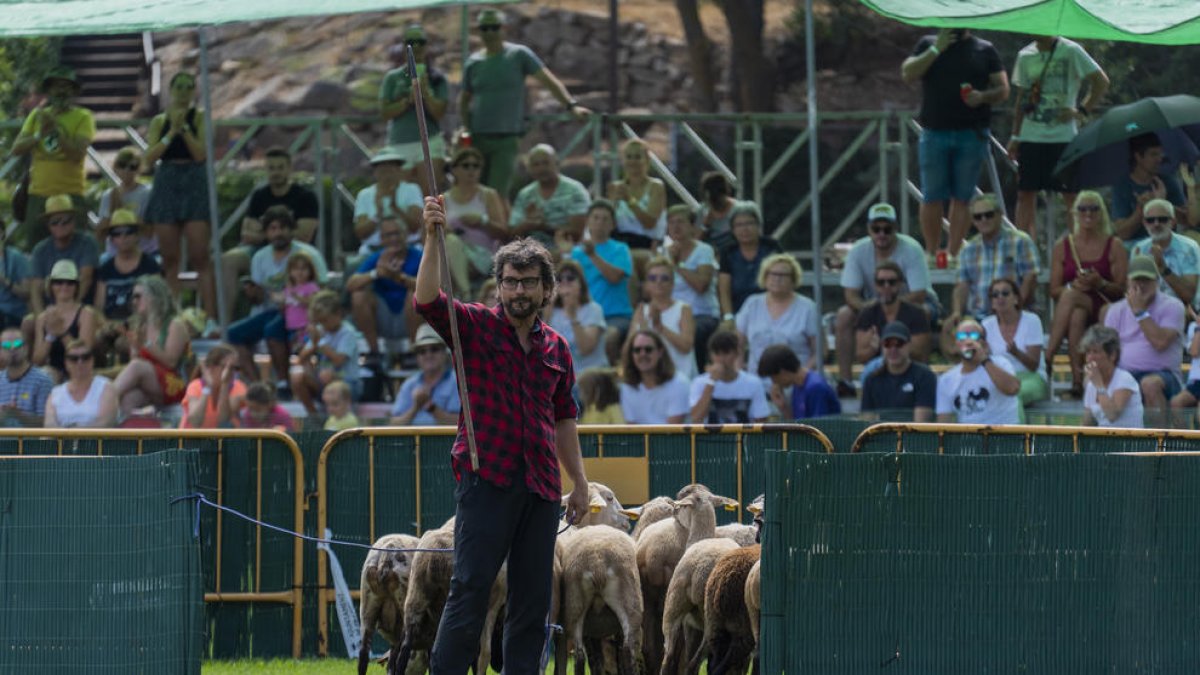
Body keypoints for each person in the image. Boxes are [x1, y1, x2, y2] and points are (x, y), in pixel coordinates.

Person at [413, 196, 589, 674]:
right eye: (509, 281)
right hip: (485, 478)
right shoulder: (472, 326)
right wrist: (433, 237)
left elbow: (564, 418)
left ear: (546, 288)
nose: (517, 290)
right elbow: (427, 299)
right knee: (470, 589)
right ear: (498, 285)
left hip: (542, 487)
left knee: (534, 601)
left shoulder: (557, 346)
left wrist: (581, 481)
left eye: (528, 282)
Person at [901, 28, 1009, 260]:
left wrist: (982, 96)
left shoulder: (985, 49)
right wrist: (936, 49)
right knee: (931, 195)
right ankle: (931, 253)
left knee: (963, 196)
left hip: (971, 133)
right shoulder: (928, 42)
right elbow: (908, 73)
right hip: (934, 132)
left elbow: (1003, 89)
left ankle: (952, 253)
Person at [459, 7, 590, 196]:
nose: (489, 33)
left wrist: (571, 106)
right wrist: (466, 129)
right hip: (477, 137)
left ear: (504, 28)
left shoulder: (519, 55)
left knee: (496, 194)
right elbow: (463, 100)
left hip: (506, 137)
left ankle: (497, 225)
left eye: (494, 27)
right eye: (485, 28)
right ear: (478, 31)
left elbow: (548, 80)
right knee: (471, 191)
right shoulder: (473, 62)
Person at [1007, 35, 1108, 239]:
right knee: (1025, 193)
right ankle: (1022, 250)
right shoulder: (1025, 55)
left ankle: (1079, 251)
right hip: (1031, 135)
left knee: (1072, 196)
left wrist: (1081, 110)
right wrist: (1015, 135)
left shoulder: (1071, 50)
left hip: (1063, 137)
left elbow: (1101, 81)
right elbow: (1022, 98)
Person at [836, 202, 935, 396]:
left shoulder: (912, 249)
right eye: (876, 228)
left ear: (895, 229)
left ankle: (920, 381)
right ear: (869, 229)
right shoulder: (858, 250)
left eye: (887, 229)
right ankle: (845, 382)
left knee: (924, 311)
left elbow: (919, 294)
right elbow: (850, 295)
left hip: (912, 303)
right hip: (873, 306)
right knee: (843, 315)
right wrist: (873, 308)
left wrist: (892, 306)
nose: (882, 233)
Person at [142, 72, 216, 325]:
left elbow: (200, 154)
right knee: (170, 258)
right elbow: (149, 158)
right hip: (167, 179)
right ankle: (170, 317)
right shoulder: (158, 121)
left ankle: (209, 318)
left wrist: (184, 129)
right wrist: (170, 132)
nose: (184, 92)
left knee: (200, 256)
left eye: (189, 87)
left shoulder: (201, 118)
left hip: (193, 179)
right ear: (171, 90)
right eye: (179, 87)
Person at [228, 205, 328, 389]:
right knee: (232, 334)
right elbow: (259, 298)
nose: (278, 233)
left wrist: (300, 300)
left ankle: (283, 382)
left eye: (283, 228)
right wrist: (253, 293)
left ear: (291, 230)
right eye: (273, 229)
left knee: (272, 330)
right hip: (268, 310)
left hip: (300, 314)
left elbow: (322, 291)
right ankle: (257, 385)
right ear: (266, 233)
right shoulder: (259, 257)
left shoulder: (308, 254)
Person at [222, 146, 320, 321]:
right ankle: (222, 323)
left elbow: (305, 235)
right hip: (259, 252)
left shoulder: (305, 197)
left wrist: (266, 233)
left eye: (280, 167)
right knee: (227, 260)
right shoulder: (259, 196)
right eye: (271, 168)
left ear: (289, 169)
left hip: (294, 253)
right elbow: (246, 233)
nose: (276, 172)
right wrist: (280, 235)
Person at [1045, 190, 1127, 396]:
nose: (1088, 213)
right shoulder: (1063, 246)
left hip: (1105, 302)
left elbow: (1122, 290)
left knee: (1071, 296)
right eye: (1082, 209)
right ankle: (1077, 381)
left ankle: (1047, 356)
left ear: (1102, 213)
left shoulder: (1113, 245)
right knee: (1075, 314)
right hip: (1076, 304)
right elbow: (1054, 290)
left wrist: (1099, 283)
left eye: (1093, 208)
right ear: (1075, 213)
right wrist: (1077, 285)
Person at [943, 194, 1039, 356]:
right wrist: (957, 311)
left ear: (999, 214)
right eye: (978, 217)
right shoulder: (968, 249)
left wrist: (1015, 307)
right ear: (973, 221)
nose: (983, 220)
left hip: (1013, 314)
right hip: (978, 317)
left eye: (988, 214)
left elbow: (1030, 279)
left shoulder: (1021, 241)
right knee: (950, 331)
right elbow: (962, 285)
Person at [11, 67, 95, 250]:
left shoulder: (84, 116)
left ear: (73, 91)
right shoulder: (37, 115)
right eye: (56, 86)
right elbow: (16, 149)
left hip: (71, 194)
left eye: (66, 86)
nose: (61, 91)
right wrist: (39, 135)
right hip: (39, 195)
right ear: (49, 91)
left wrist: (55, 132)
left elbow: (77, 154)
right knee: (36, 250)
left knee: (75, 251)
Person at [1103, 255, 1185, 427]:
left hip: (1164, 375)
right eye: (1136, 279)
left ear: (1157, 281)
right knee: (1097, 380)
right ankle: (1099, 446)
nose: (1140, 285)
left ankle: (1158, 446)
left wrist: (1139, 311)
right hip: (1126, 373)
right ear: (1127, 281)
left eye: (1146, 280)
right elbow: (1107, 351)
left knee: (1150, 384)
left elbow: (1160, 342)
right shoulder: (1115, 310)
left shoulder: (1173, 306)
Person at [380, 23, 449, 195]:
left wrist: (426, 93)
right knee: (401, 196)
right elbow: (384, 112)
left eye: (421, 42)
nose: (416, 46)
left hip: (429, 141)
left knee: (430, 196)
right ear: (403, 46)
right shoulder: (392, 77)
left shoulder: (438, 78)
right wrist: (408, 100)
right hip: (399, 143)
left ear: (427, 46)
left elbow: (439, 113)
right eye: (411, 42)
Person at [113, 274, 191, 416]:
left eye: (138, 296)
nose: (134, 301)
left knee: (137, 366)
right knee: (128, 400)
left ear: (154, 297)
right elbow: (135, 363)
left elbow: (171, 362)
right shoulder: (141, 326)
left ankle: (98, 402)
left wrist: (145, 344)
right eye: (133, 297)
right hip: (152, 385)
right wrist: (135, 347)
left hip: (176, 384)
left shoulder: (175, 324)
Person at [852, 261, 933, 389]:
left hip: (909, 367)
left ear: (900, 284)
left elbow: (920, 354)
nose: (886, 286)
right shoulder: (867, 314)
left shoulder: (916, 313)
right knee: (871, 369)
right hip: (879, 370)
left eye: (892, 282)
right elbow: (861, 356)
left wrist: (891, 349)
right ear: (875, 285)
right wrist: (873, 348)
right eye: (881, 282)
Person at [735, 253, 819, 376]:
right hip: (757, 381)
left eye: (783, 275)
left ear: (793, 279)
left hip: (795, 380)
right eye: (772, 274)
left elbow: (820, 352)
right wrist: (740, 375)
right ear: (764, 276)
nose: (777, 278)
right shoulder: (751, 304)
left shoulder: (808, 308)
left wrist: (802, 376)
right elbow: (738, 345)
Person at [347, 219, 421, 358]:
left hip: (413, 316)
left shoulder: (418, 256)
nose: (394, 238)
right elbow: (351, 284)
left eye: (397, 233)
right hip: (383, 316)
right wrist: (377, 273)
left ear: (405, 235)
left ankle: (415, 352)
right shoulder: (376, 258)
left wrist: (400, 278)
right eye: (388, 235)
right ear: (382, 239)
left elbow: (434, 287)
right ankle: (374, 354)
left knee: (415, 295)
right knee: (358, 295)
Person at [982, 277, 1048, 419]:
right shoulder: (986, 325)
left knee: (1012, 395)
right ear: (992, 302)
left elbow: (1033, 366)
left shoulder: (1032, 320)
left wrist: (1016, 353)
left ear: (1016, 299)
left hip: (1032, 378)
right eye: (995, 294)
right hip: (1001, 379)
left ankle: (1018, 440)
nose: (1000, 297)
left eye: (1005, 293)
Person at [936, 318, 1021, 424]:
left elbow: (1013, 388)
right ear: (956, 344)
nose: (967, 341)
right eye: (961, 337)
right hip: (969, 438)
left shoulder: (1001, 363)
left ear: (984, 343)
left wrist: (983, 359)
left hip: (1003, 437)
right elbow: (943, 423)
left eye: (973, 336)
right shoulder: (946, 380)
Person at [666, 205, 720, 372]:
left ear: (692, 227)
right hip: (671, 312)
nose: (676, 226)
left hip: (701, 313)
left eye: (681, 222)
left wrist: (677, 264)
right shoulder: (663, 252)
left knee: (691, 334)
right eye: (671, 222)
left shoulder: (704, 250)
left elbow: (701, 286)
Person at [290, 290, 362, 416]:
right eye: (320, 322)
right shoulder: (320, 331)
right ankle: (314, 417)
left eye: (326, 320)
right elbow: (301, 359)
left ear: (338, 314)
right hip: (323, 382)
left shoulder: (348, 333)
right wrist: (313, 344)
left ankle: (336, 418)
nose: (323, 325)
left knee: (326, 375)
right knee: (297, 377)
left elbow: (338, 360)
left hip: (348, 384)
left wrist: (319, 342)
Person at [28, 194, 99, 316]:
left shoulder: (87, 242)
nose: (60, 225)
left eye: (66, 221)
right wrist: (41, 317)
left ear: (73, 221)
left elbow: (86, 279)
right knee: (27, 324)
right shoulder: (40, 250)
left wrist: (70, 311)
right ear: (48, 225)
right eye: (55, 222)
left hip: (82, 308)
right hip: (49, 310)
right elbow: (36, 289)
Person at [626, 256, 696, 380]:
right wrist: (642, 331)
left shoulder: (683, 309)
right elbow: (628, 349)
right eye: (653, 278)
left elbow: (686, 346)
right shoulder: (641, 310)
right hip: (649, 378)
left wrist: (660, 327)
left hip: (680, 377)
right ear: (646, 284)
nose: (658, 282)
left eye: (664, 278)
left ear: (672, 283)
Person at [571, 200, 634, 337]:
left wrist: (592, 255)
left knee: (607, 339)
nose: (600, 222)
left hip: (615, 315)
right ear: (587, 221)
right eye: (596, 218)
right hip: (584, 315)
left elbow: (615, 278)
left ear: (613, 224)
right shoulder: (576, 253)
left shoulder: (621, 249)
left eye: (605, 219)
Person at [509, 144, 590, 249]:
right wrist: (527, 224)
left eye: (545, 163)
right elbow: (511, 234)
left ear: (557, 164)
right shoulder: (525, 194)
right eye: (536, 164)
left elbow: (578, 234)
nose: (541, 168)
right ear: (529, 169)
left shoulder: (575, 190)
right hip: (533, 254)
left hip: (569, 252)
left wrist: (545, 227)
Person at [1113, 133, 1189, 245]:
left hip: (1166, 241)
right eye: (1153, 154)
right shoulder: (1122, 186)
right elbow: (1122, 233)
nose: (1159, 159)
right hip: (1135, 245)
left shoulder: (1167, 181)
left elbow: (1186, 220)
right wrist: (1140, 210)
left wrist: (1163, 203)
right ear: (1138, 157)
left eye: (1160, 154)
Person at [445, 146, 509, 276]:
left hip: (484, 254)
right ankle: (464, 290)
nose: (471, 170)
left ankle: (464, 291)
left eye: (476, 166)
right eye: (466, 165)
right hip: (454, 252)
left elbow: (503, 233)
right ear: (454, 169)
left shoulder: (488, 195)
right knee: (451, 244)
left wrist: (482, 221)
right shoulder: (444, 199)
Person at [32, 260, 98, 382]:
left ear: (76, 286)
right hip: (53, 371)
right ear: (51, 286)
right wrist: (50, 336)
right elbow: (37, 360)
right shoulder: (42, 318)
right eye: (59, 282)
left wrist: (62, 332)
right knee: (45, 375)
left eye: (70, 282)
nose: (64, 286)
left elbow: (84, 354)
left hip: (80, 371)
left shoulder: (86, 313)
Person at [93, 209, 162, 323]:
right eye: (117, 233)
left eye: (129, 232)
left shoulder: (150, 265)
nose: (123, 237)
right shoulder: (105, 269)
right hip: (110, 328)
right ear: (111, 239)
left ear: (137, 235)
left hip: (142, 325)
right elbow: (99, 307)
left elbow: (158, 302)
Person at [718, 201, 781, 324]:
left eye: (749, 223)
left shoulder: (771, 247)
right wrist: (728, 317)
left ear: (758, 226)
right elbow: (724, 289)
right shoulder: (728, 251)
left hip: (771, 310)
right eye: (739, 225)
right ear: (733, 229)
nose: (745, 229)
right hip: (738, 312)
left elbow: (783, 279)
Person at [861, 321, 938, 422]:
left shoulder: (925, 376)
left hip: (913, 436)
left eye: (899, 343)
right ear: (881, 347)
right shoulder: (872, 380)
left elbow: (920, 424)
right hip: (882, 435)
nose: (893, 349)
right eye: (887, 344)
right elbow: (867, 421)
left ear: (909, 345)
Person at [1131, 199, 1200, 309]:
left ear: (1173, 222)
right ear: (1144, 223)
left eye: (1162, 219)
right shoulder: (1139, 248)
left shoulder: (1189, 247)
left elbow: (1189, 296)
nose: (1156, 224)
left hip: (1184, 307)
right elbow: (1133, 290)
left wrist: (1163, 268)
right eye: (1150, 220)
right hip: (1150, 306)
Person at [689, 330, 770, 424]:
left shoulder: (753, 383)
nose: (721, 359)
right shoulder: (699, 382)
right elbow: (695, 418)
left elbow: (761, 420)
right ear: (711, 355)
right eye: (717, 353)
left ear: (736, 353)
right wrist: (711, 383)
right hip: (709, 438)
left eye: (726, 353)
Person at [543, 258, 607, 376]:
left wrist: (573, 317)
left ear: (581, 284)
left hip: (591, 376)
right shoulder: (553, 311)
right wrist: (548, 309)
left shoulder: (594, 309)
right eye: (560, 279)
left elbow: (585, 349)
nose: (565, 282)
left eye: (570, 278)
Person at [388, 323, 461, 426]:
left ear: (445, 352)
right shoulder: (409, 384)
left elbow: (462, 424)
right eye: (422, 351)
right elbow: (394, 423)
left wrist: (431, 407)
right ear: (417, 357)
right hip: (413, 441)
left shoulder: (457, 381)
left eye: (434, 349)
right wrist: (415, 407)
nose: (428, 355)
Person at [619, 329, 691, 424]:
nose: (642, 354)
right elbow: (631, 428)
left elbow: (673, 431)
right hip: (640, 438)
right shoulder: (627, 387)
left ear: (660, 352)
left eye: (648, 350)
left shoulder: (679, 383)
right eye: (637, 350)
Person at [95, 146, 156, 258]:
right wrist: (112, 216)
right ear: (115, 168)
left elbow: (149, 232)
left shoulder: (148, 193)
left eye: (133, 166)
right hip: (115, 254)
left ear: (140, 169)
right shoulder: (108, 196)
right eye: (122, 165)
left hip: (146, 253)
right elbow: (100, 236)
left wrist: (125, 215)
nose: (127, 170)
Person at [1079, 325, 1144, 428]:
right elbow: (1087, 423)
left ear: (1112, 355)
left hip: (1129, 441)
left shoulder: (1124, 379)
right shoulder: (1092, 384)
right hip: (1104, 441)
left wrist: (1099, 385)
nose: (1090, 358)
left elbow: (1112, 415)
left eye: (1095, 352)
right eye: (1088, 352)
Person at [43, 339, 117, 428]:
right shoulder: (56, 393)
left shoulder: (106, 387)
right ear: (66, 363)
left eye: (85, 357)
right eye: (73, 359)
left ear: (92, 361)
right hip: (62, 441)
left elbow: (104, 424)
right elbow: (49, 425)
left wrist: (73, 433)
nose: (80, 362)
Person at [608, 138, 667, 250]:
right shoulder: (616, 186)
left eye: (637, 157)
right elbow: (609, 224)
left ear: (647, 160)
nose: (632, 161)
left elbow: (649, 224)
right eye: (629, 157)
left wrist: (629, 200)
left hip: (648, 244)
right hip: (620, 243)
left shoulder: (656, 186)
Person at [757, 343, 840, 420]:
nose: (773, 382)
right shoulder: (798, 386)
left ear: (783, 372)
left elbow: (818, 430)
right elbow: (798, 428)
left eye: (773, 377)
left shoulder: (815, 387)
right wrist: (783, 408)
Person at [180, 343, 246, 429]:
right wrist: (207, 387)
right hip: (194, 440)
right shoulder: (195, 386)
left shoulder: (239, 387)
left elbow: (224, 420)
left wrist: (225, 385)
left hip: (224, 440)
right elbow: (195, 422)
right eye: (225, 366)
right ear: (211, 367)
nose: (230, 371)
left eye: (235, 368)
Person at [0, 327, 54, 426]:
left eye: (18, 344)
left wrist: (18, 415)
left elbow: (47, 424)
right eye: (6, 345)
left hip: (30, 441)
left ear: (26, 348)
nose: (12, 349)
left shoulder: (42, 380)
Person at [282, 252, 322, 349]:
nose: (299, 272)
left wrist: (297, 298)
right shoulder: (288, 289)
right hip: (291, 327)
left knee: (306, 351)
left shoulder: (311, 287)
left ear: (310, 271)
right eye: (295, 269)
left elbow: (313, 301)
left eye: (303, 269)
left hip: (306, 327)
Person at [1170, 306, 1200, 425]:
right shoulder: (1194, 327)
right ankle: (1184, 441)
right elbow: (1194, 352)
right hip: (1195, 381)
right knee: (1176, 403)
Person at [0, 222, 32, 329]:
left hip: (12, 315)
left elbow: (27, 293)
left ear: (2, 233)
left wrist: (5, 281)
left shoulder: (15, 257)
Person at [696, 171, 737, 250]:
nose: (716, 204)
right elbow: (695, 242)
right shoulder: (702, 210)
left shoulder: (738, 209)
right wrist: (705, 225)